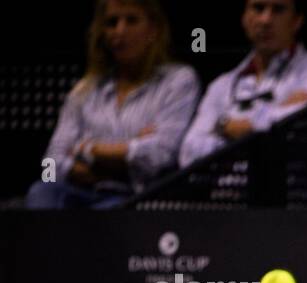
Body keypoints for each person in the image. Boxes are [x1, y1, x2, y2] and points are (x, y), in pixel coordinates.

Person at [26, 0, 199, 209]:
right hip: (79, 190)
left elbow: (161, 154)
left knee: (105, 217)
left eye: (131, 20)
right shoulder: (84, 90)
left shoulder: (178, 80)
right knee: (42, 190)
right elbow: (49, 163)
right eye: (112, 22)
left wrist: (86, 149)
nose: (120, 31)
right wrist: (126, 150)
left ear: (153, 30)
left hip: (137, 196)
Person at [179, 0, 307, 167]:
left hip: (296, 188)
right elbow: (188, 154)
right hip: (226, 190)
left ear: (296, 21)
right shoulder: (221, 85)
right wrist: (229, 128)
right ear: (244, 18)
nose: (265, 20)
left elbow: (293, 131)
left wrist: (222, 128)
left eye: (278, 10)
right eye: (258, 8)